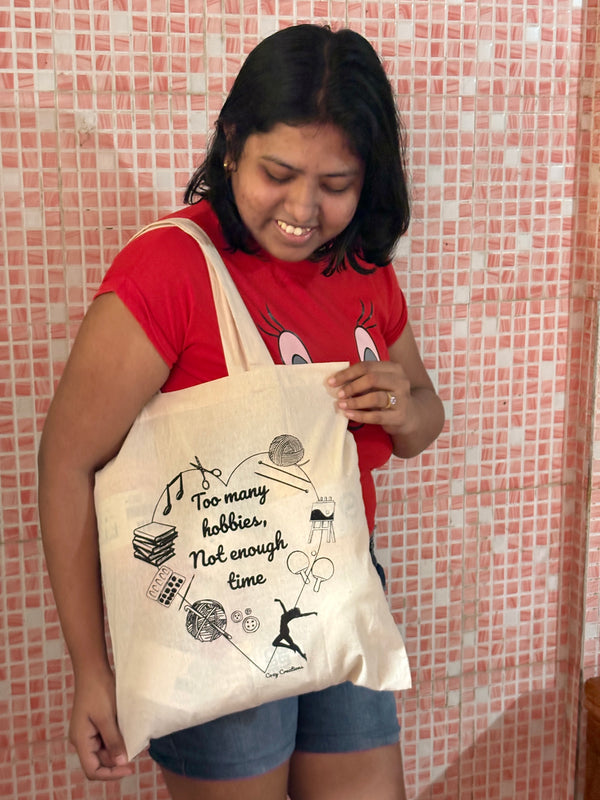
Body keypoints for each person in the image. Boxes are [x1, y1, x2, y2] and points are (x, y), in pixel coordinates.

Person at [38, 23, 445, 800]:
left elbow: (424, 419)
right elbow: (66, 462)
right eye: (279, 173)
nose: (304, 210)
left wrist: (400, 406)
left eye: (337, 184)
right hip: (213, 617)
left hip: (338, 592)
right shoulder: (168, 272)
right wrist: (92, 669)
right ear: (232, 143)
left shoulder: (359, 266)